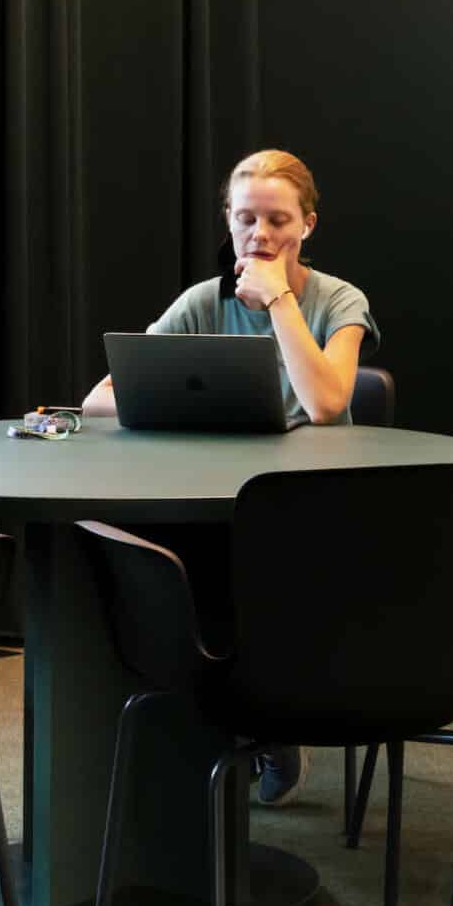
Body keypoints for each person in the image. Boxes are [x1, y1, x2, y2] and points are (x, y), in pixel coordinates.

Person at [81, 147, 379, 804]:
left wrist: (278, 304)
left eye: (277, 219)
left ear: (307, 225)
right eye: (247, 219)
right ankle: (207, 723)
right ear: (229, 220)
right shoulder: (201, 302)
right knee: (164, 567)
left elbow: (326, 402)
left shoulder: (337, 301)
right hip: (212, 501)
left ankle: (266, 725)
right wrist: (153, 393)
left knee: (241, 576)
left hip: (308, 505)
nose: (261, 234)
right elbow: (99, 398)